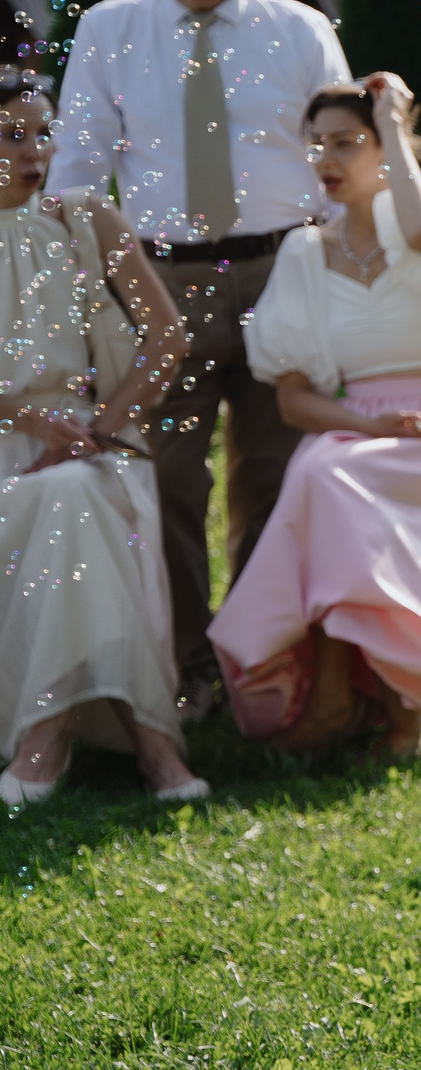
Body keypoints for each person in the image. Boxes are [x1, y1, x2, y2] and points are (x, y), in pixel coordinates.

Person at [50, 0, 350, 705]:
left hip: (281, 274)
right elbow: (76, 168)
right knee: (172, 477)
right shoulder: (110, 29)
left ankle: (257, 656)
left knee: (276, 468)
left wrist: (337, 274)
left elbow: (337, 149)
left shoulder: (298, 29)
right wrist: (82, 289)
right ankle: (188, 667)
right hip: (159, 285)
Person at [206, 74, 421, 758]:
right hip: (356, 429)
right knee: (328, 475)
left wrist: (390, 117)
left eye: (346, 143)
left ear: (387, 148)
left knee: (333, 481)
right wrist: (370, 427)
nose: (326, 159)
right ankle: (342, 695)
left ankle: (382, 707)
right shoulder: (303, 254)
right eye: (316, 144)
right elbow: (294, 400)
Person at [0, 67, 208, 805]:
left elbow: (169, 339)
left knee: (73, 496)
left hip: (94, 446)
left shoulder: (88, 219)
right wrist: (27, 420)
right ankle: (152, 748)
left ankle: (45, 739)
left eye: (41, 132)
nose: (32, 151)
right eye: (10, 136)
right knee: (68, 502)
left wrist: (96, 426)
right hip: (8, 447)